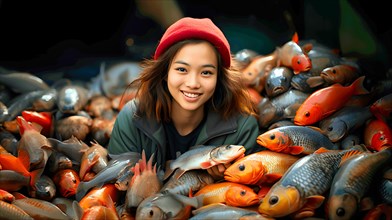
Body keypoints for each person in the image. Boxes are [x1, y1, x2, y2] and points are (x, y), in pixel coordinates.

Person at [107, 17, 260, 180]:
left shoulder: (243, 128)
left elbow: (248, 194)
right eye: (182, 69)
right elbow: (114, 187)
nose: (193, 83)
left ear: (219, 78)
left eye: (206, 72)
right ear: (165, 73)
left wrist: (220, 181)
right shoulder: (132, 117)